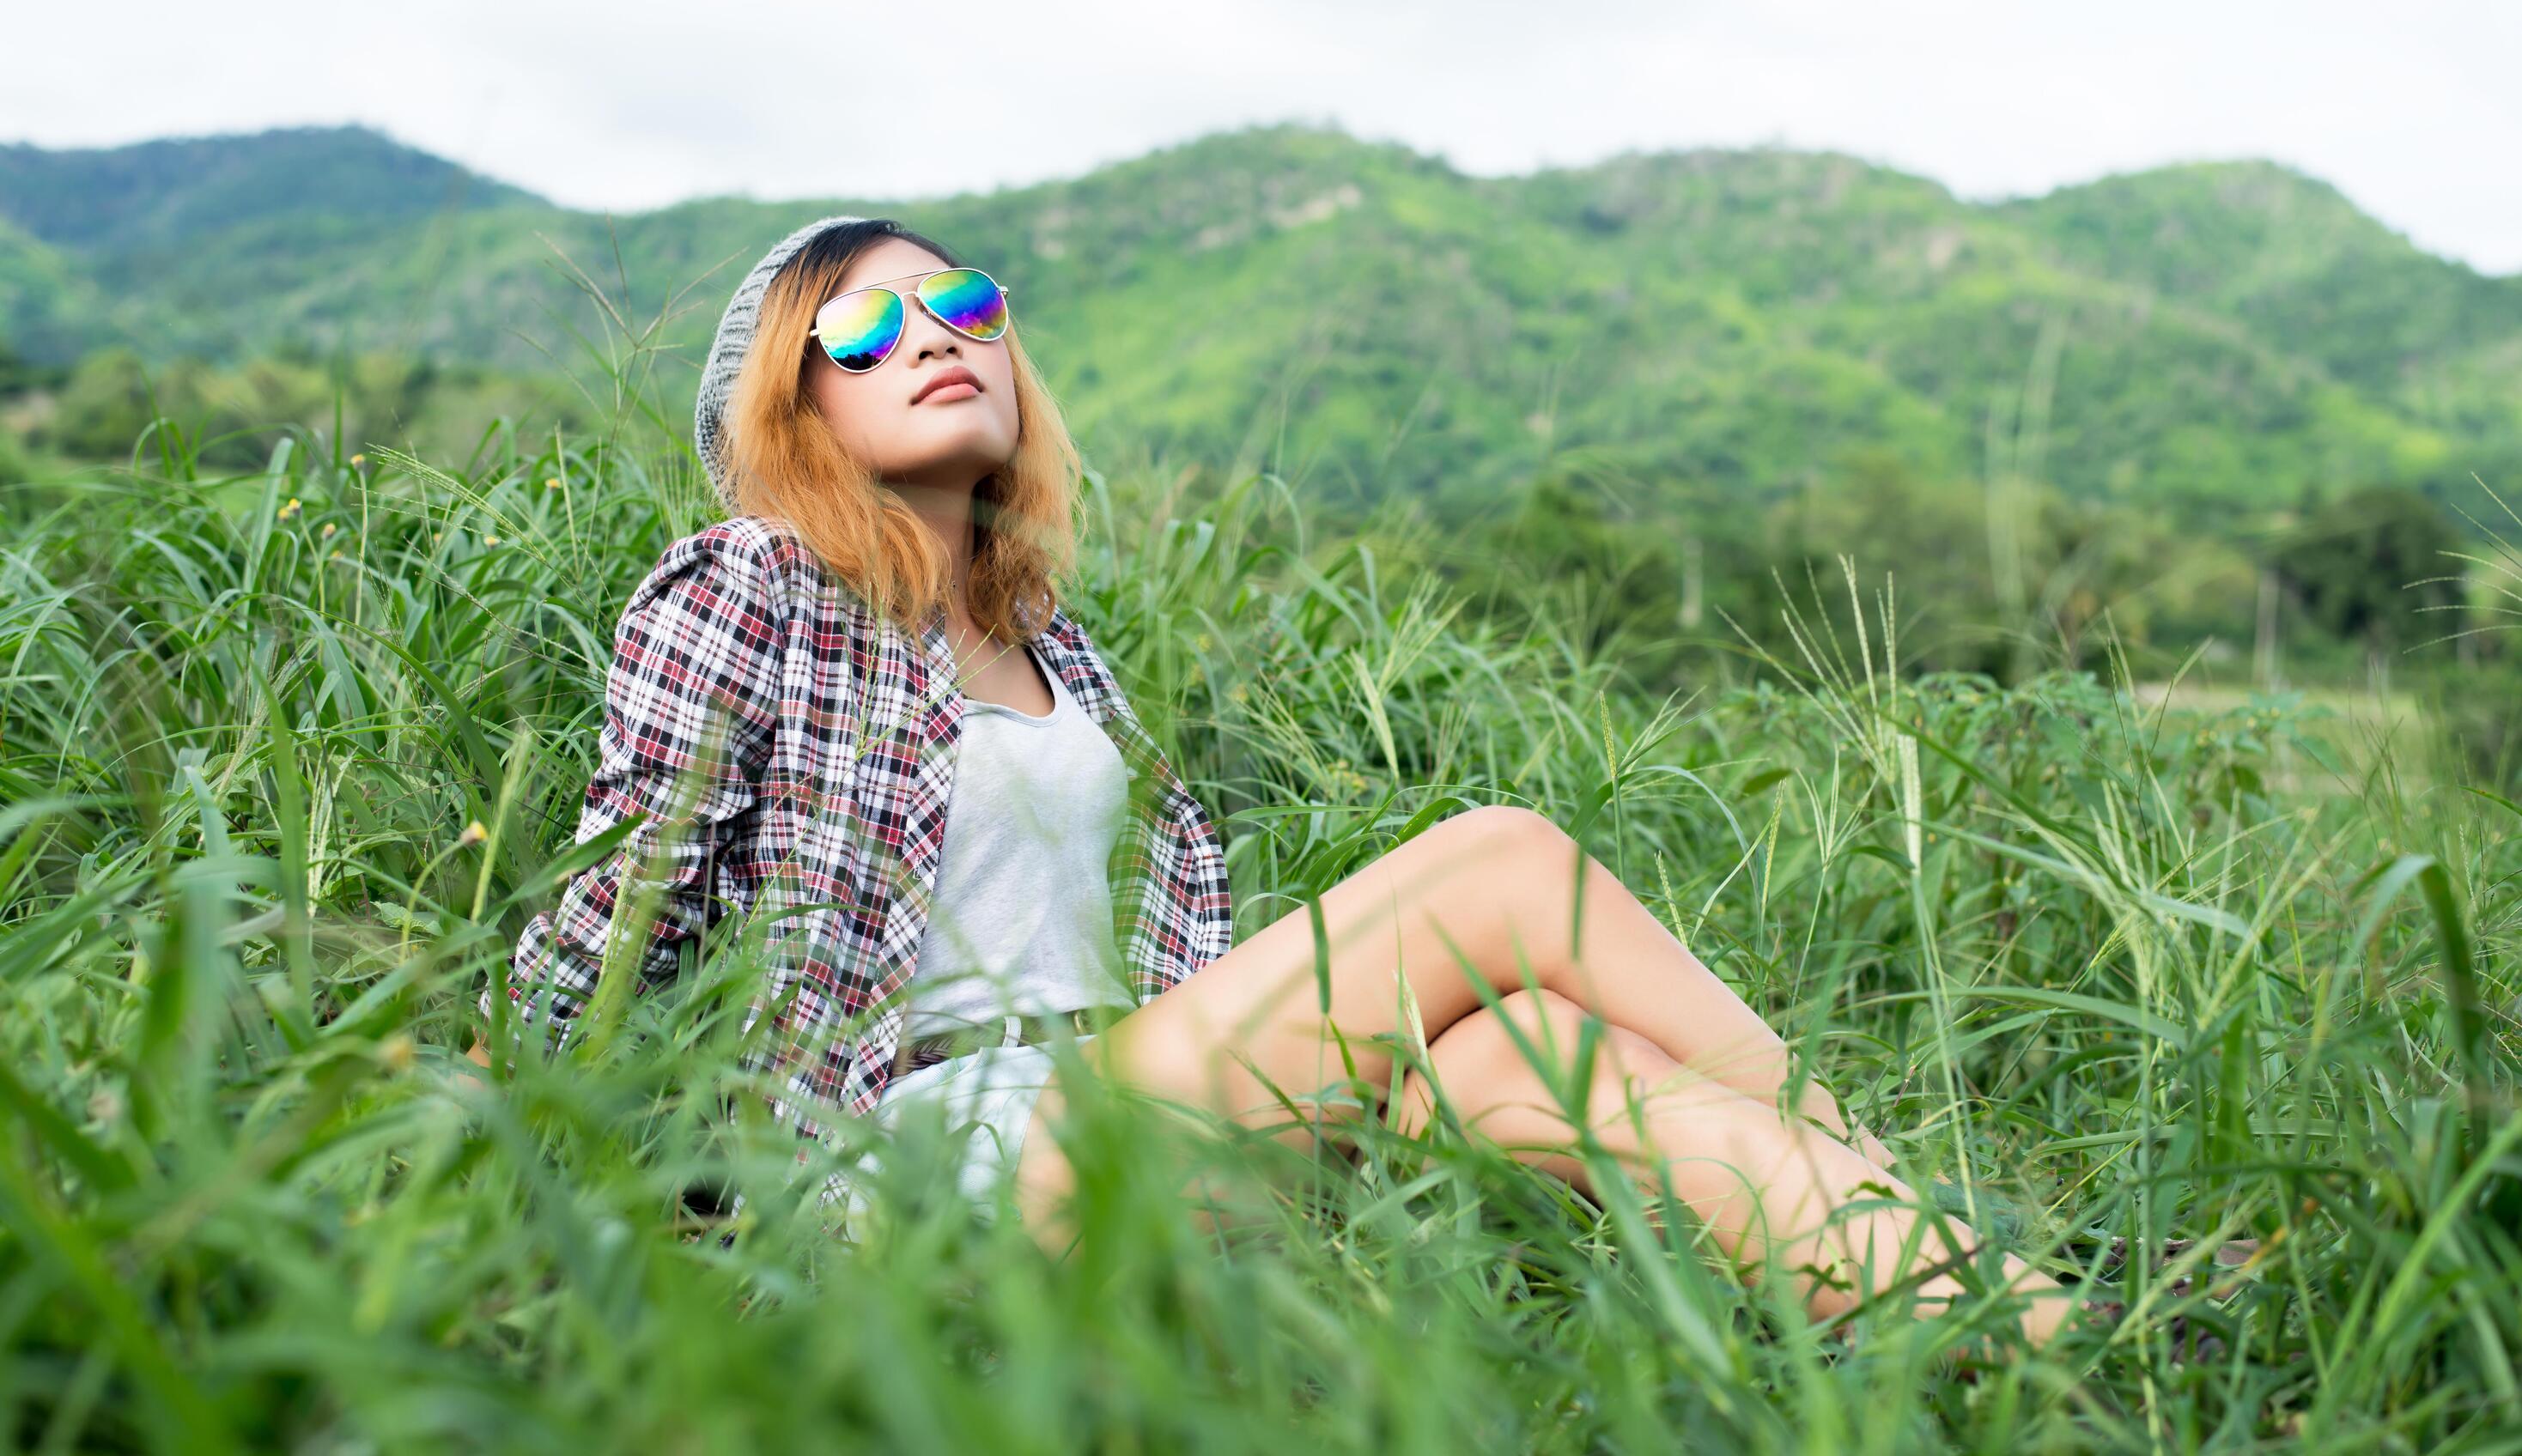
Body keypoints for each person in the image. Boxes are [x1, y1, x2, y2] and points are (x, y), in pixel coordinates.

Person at [479, 213, 2099, 1349]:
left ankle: (2044, 1337)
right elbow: (624, 903)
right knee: (1507, 859)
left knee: (1541, 1057)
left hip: (1140, 1108)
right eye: (864, 327)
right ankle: (1903, 1166)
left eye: (963, 304)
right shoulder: (748, 582)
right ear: (793, 398)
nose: (935, 339)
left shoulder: (1059, 650)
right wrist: (491, 1183)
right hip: (925, 1164)